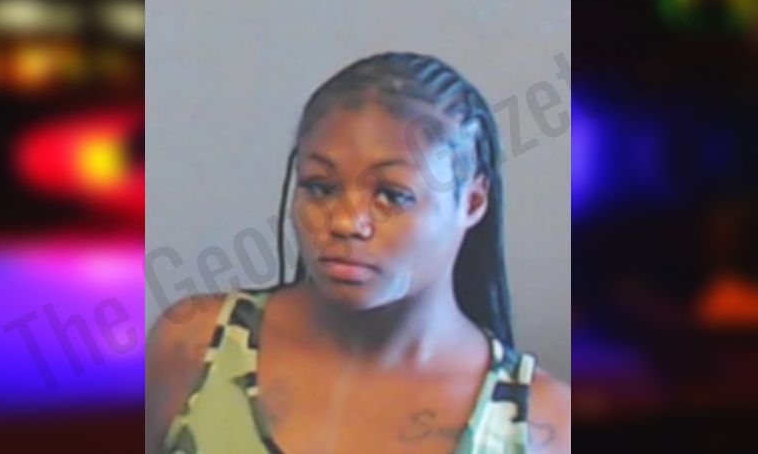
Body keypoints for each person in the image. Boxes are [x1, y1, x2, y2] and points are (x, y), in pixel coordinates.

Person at [146, 53, 570, 453]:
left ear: (472, 203)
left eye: (392, 195)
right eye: (320, 186)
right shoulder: (195, 347)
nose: (345, 222)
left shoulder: (543, 425)